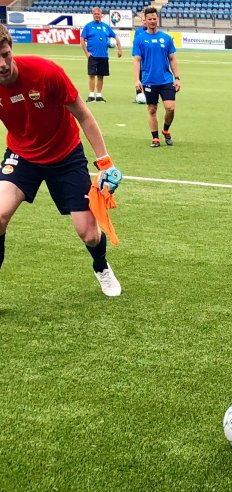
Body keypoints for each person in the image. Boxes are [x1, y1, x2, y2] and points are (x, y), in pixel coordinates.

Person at [0, 25, 124, 296]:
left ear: (11, 49)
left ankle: (101, 265)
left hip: (65, 155)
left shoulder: (46, 72)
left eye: (5, 54)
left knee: (89, 234)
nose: (2, 64)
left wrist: (105, 162)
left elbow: (84, 115)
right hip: (22, 156)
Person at [132, 7, 181, 148]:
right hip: (149, 80)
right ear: (145, 21)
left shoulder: (166, 38)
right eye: (150, 19)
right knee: (152, 109)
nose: (152, 21)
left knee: (170, 108)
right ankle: (155, 138)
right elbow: (137, 60)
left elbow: (172, 58)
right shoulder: (140, 39)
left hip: (166, 79)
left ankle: (166, 130)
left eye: (154, 19)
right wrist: (137, 79)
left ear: (157, 19)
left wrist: (177, 77)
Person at [80, 6, 122, 102]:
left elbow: (115, 37)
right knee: (91, 75)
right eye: (95, 14)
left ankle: (99, 95)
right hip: (92, 56)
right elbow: (82, 39)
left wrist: (120, 49)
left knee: (101, 76)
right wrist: (87, 53)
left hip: (104, 56)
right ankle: (91, 95)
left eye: (98, 14)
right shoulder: (88, 26)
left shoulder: (106, 27)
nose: (97, 15)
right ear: (92, 15)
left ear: (101, 15)